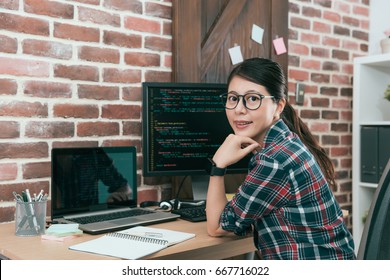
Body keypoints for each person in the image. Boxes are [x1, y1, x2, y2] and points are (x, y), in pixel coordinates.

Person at [206, 57, 356, 260]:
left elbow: (216, 226)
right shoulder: (286, 143)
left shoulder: (274, 159)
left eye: (253, 99)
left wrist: (219, 164)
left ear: (278, 106)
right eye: (233, 98)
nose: (239, 109)